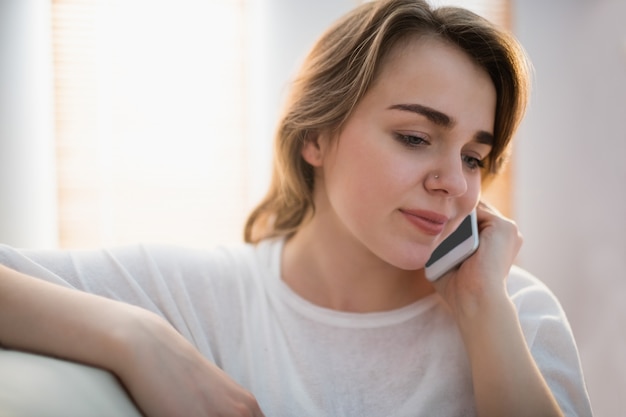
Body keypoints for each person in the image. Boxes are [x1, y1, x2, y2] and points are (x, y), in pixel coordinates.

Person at [0, 0, 593, 416]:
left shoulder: (518, 313)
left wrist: (485, 311)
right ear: (316, 136)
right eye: (415, 138)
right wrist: (135, 334)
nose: (454, 185)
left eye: (472, 157)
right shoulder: (199, 294)